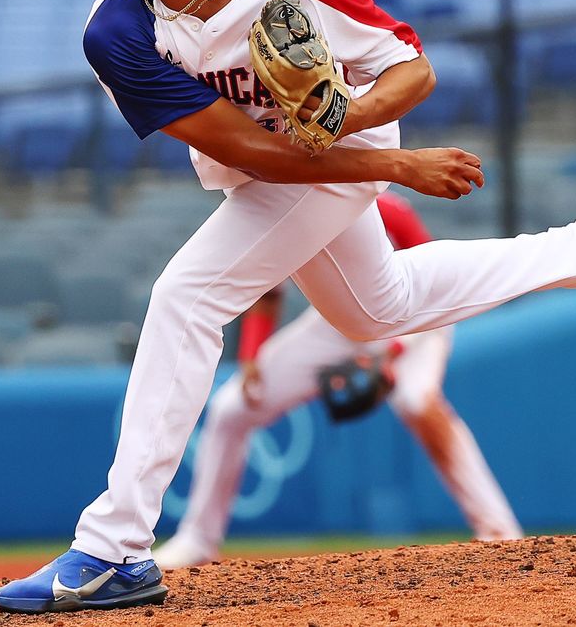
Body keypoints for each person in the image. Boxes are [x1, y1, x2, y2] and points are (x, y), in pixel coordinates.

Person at [0, 0, 576, 615]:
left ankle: (115, 548)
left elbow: (413, 65)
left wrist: (351, 120)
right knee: (376, 309)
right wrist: (396, 168)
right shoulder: (117, 32)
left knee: (185, 297)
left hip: (346, 146)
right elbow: (250, 151)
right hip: (294, 164)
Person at [153, 190, 523, 571]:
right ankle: (198, 539)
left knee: (416, 401)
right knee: (232, 408)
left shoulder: (384, 206)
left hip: (417, 320)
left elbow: (436, 283)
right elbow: (266, 287)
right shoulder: (284, 206)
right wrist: (251, 353)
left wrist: (391, 353)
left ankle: (500, 531)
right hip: (338, 325)